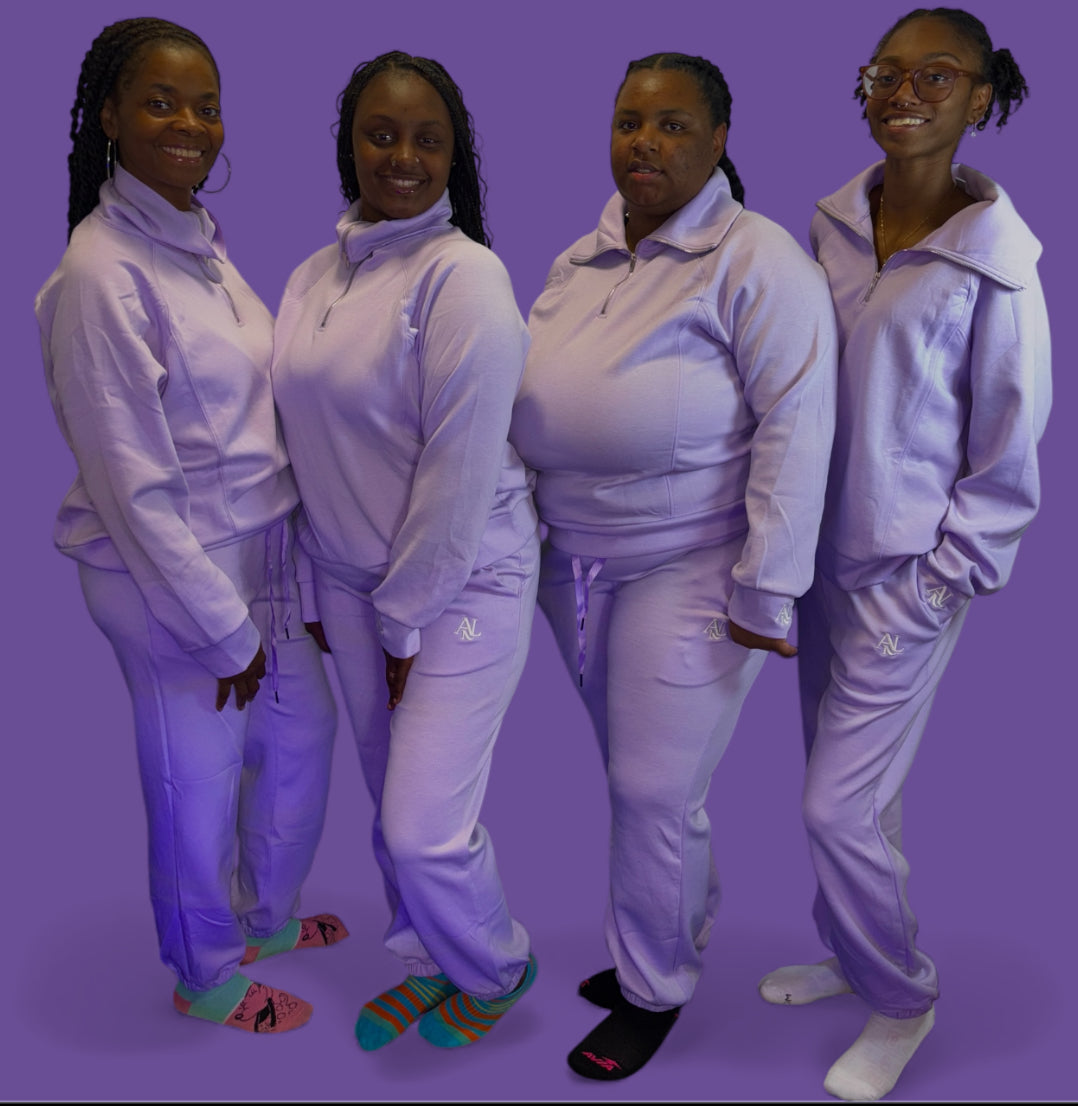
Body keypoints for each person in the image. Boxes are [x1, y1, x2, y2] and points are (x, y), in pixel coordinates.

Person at [509, 52, 838, 1081]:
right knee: (641, 777)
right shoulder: (579, 260)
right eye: (627, 122)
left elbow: (797, 423)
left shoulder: (756, 258)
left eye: (671, 123)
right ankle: (673, 921)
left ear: (719, 138)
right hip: (572, 564)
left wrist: (766, 588)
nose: (643, 142)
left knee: (651, 787)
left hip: (690, 561)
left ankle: (653, 986)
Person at [756, 8, 1051, 1101]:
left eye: (937, 74)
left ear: (983, 98)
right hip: (812, 564)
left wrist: (939, 582)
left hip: (903, 580)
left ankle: (902, 995)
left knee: (834, 806)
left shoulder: (997, 267)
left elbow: (1008, 457)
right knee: (853, 799)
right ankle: (852, 948)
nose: (903, 91)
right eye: (886, 71)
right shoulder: (831, 224)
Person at [36, 17, 346, 1035]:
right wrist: (220, 628)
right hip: (170, 570)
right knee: (195, 781)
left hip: (263, 553)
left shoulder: (197, 243)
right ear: (109, 117)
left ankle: (264, 916)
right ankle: (206, 970)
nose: (189, 124)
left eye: (206, 106)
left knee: (298, 739)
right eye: (160, 102)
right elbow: (131, 484)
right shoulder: (101, 273)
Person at [271, 51, 540, 1052]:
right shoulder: (313, 275)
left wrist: (403, 620)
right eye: (380, 133)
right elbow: (301, 440)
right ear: (348, 141)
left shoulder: (464, 277)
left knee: (423, 823)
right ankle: (426, 954)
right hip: (349, 581)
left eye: (428, 139)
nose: (403, 156)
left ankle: (496, 965)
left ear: (454, 153)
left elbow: (458, 474)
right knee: (387, 801)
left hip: (461, 581)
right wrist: (320, 586)